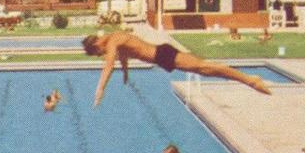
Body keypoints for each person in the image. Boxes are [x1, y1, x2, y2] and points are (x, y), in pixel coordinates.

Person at [82, 33, 271, 108]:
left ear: (97, 44)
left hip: (163, 54)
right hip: (162, 57)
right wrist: (125, 73)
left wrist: (100, 90)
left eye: (98, 52)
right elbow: (122, 57)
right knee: (204, 70)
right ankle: (247, 79)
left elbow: (109, 65)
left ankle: (250, 80)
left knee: (204, 67)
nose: (102, 55)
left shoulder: (113, 40)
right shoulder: (115, 40)